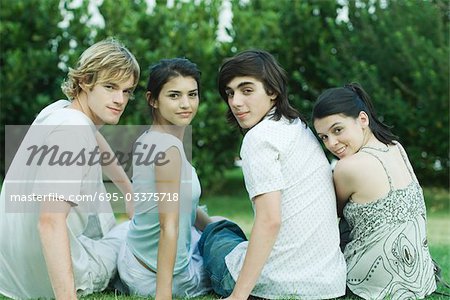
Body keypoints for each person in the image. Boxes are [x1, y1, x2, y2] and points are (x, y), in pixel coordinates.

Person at [198, 49, 347, 299]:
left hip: (276, 285)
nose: (235, 102)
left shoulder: (259, 138)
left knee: (217, 232)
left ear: (272, 91)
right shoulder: (300, 128)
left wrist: (238, 295)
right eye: (230, 93)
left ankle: (200, 223)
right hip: (327, 286)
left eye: (247, 90)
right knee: (232, 232)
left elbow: (269, 220)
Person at [0, 38, 140, 299]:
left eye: (127, 91)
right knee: (142, 228)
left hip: (11, 272)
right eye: (110, 87)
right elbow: (50, 222)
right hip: (49, 278)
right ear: (86, 81)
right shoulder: (73, 132)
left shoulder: (59, 111)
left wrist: (129, 192)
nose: (120, 99)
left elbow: (97, 142)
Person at [312, 82, 436, 299]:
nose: (332, 143)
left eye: (337, 130)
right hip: (418, 277)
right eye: (324, 137)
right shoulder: (396, 147)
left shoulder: (348, 167)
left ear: (362, 119)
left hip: (372, 281)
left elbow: (330, 216)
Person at [117, 58, 212, 298]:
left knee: (218, 224)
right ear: (153, 100)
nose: (186, 104)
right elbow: (167, 226)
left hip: (132, 261)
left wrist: (215, 228)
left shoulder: (148, 138)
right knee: (234, 259)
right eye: (174, 96)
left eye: (192, 94)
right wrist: (164, 294)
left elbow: (182, 204)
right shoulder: (168, 149)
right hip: (159, 277)